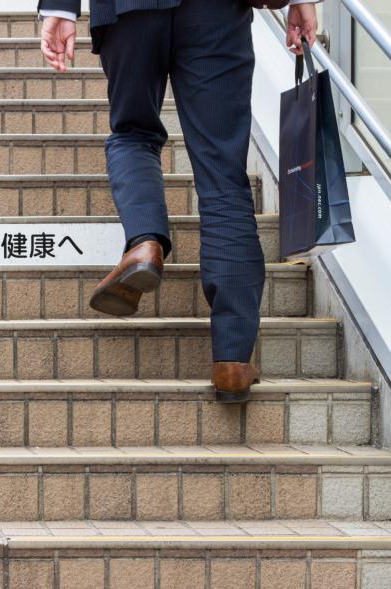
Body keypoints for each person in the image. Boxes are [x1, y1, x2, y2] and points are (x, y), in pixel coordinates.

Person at [38, 0, 320, 403]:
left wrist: (60, 9)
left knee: (133, 133)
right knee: (223, 174)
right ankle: (233, 361)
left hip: (128, 9)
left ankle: (145, 243)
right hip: (216, 13)